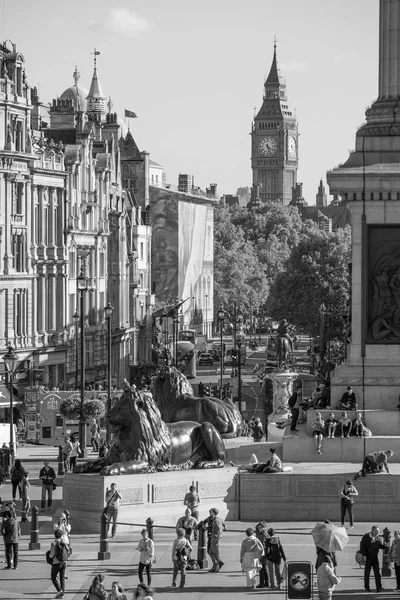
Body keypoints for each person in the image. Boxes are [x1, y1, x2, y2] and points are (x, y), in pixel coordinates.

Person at [360, 525, 387, 592]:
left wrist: (385, 546)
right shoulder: (366, 537)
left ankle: (379, 587)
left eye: (378, 531)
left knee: (377, 573)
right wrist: (364, 555)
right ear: (372, 530)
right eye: (376, 531)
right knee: (367, 573)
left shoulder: (377, 538)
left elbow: (380, 545)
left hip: (375, 558)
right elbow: (362, 546)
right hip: (368, 558)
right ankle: (367, 587)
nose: (377, 532)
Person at [49, 528, 69, 598]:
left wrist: (49, 556)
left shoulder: (54, 543)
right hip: (64, 562)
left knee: (53, 577)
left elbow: (52, 554)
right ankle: (62, 594)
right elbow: (68, 550)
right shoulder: (64, 542)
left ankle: (59, 590)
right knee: (62, 578)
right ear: (61, 535)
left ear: (55, 535)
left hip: (56, 562)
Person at [208, 508, 226, 573]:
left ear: (213, 513)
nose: (210, 513)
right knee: (211, 552)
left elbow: (219, 529)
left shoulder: (216, 521)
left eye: (211, 512)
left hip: (215, 538)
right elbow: (225, 526)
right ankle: (218, 564)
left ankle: (217, 566)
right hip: (215, 537)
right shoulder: (220, 519)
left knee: (215, 553)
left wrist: (218, 538)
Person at [255, 521, 270, 588]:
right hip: (265, 553)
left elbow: (262, 545)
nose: (257, 530)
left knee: (261, 568)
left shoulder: (263, 535)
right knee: (265, 568)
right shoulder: (264, 533)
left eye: (258, 528)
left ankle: (261, 583)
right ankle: (267, 582)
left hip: (263, 553)